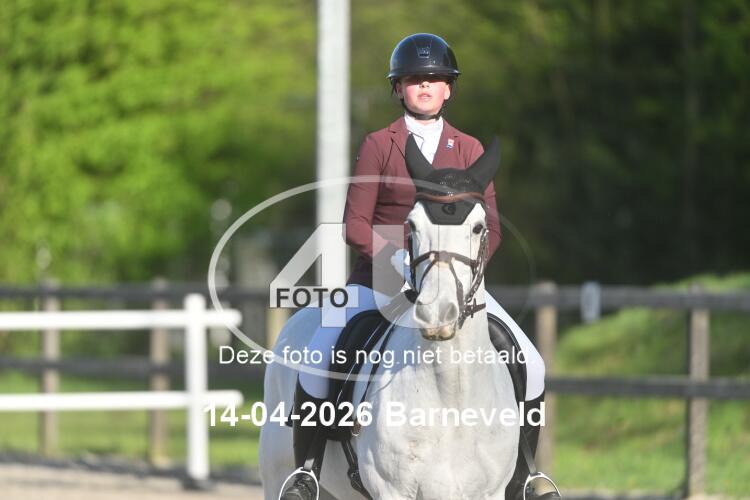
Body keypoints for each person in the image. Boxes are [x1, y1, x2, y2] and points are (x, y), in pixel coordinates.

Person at [279, 33, 556, 500]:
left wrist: (459, 277)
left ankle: (524, 474)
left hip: (456, 282)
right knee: (319, 355)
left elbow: (492, 228)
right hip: (379, 276)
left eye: (434, 79)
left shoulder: (469, 149)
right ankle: (307, 471)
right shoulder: (379, 144)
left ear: (448, 89)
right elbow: (355, 224)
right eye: (414, 79)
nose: (425, 86)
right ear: (398, 88)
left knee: (531, 361)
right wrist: (400, 259)